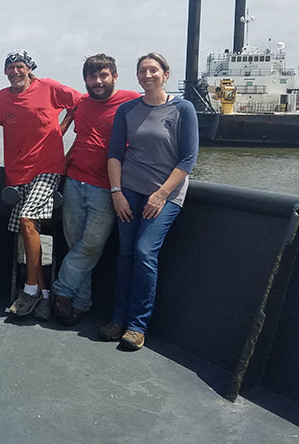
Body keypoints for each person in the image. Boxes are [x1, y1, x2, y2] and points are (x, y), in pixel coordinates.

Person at [100, 52, 198, 350]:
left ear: (165, 74)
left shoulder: (183, 109)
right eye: (142, 71)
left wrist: (161, 194)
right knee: (126, 253)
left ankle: (137, 325)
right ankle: (118, 319)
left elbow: (189, 158)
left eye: (153, 70)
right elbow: (115, 154)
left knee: (144, 252)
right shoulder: (128, 110)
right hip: (129, 190)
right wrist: (116, 193)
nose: (147, 75)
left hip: (165, 194)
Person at [0, 50, 81, 319]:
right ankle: (45, 293)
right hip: (17, 175)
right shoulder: (0, 98)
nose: (15, 72)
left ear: (29, 69)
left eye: (20, 66)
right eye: (10, 68)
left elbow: (79, 103)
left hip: (49, 168)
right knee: (29, 233)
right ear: (5, 72)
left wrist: (63, 127)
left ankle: (28, 290)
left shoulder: (49, 88)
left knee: (27, 221)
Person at [51, 54, 140, 327]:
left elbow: (161, 108)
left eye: (103, 75)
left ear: (114, 76)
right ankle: (82, 302)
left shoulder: (132, 100)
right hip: (75, 181)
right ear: (85, 80)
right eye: (92, 77)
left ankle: (61, 290)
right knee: (76, 244)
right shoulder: (82, 104)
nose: (97, 81)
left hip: (107, 187)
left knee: (91, 245)